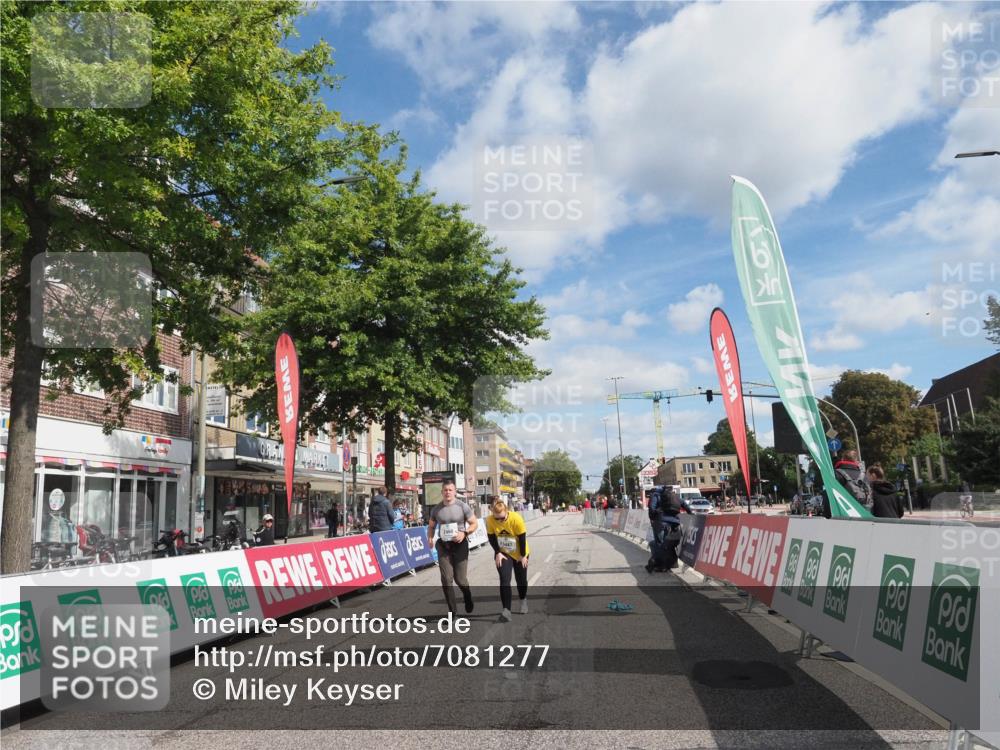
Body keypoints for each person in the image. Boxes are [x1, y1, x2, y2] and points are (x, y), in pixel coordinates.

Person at [427, 478, 478, 615]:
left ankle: (468, 597)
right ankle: (452, 612)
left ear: (454, 492)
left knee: (460, 579)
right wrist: (430, 538)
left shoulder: (462, 506)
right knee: (446, 578)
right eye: (445, 490)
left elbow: (474, 523)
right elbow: (431, 526)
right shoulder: (436, 509)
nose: (447, 492)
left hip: (460, 544)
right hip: (444, 546)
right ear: (442, 492)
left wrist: (465, 533)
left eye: (450, 490)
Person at [485, 498, 530, 623]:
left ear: (507, 512)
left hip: (520, 551)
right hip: (503, 552)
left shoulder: (516, 518)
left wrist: (522, 556)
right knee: (504, 579)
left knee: (521, 580)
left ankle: (523, 600)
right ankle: (506, 611)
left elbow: (522, 538)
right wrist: (497, 552)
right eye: (496, 518)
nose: (499, 520)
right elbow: (492, 538)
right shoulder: (489, 520)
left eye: (502, 518)